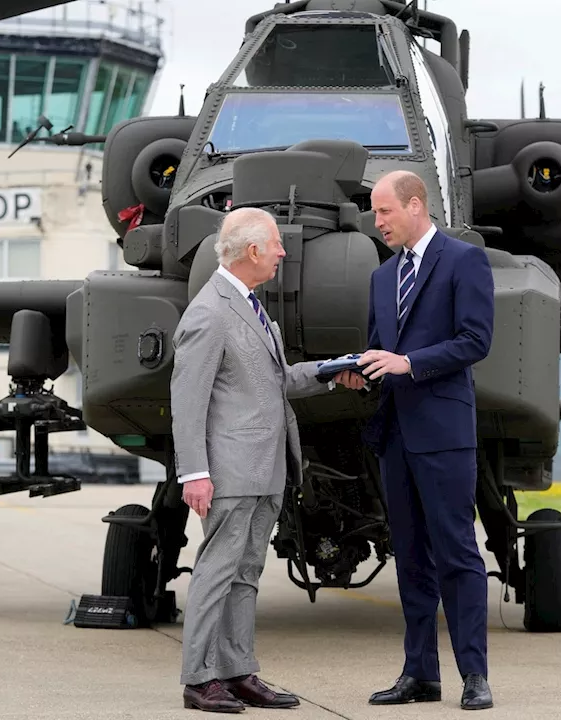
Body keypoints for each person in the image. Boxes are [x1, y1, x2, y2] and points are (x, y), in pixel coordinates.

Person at [171, 207, 366, 712]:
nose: (284, 252)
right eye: (276, 245)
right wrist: (194, 472)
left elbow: (274, 385)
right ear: (253, 251)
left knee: (246, 573)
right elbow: (186, 400)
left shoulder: (251, 308)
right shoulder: (209, 312)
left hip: (265, 469)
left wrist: (327, 370)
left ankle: (237, 671)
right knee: (217, 572)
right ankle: (199, 679)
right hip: (231, 470)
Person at [357, 170, 496, 711]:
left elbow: (475, 340)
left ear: (416, 205)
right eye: (375, 211)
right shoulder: (381, 277)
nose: (378, 221)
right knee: (411, 557)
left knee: (458, 554)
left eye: (384, 210)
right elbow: (380, 349)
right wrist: (361, 367)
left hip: (443, 433)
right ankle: (420, 674)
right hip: (396, 434)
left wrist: (409, 362)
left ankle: (474, 675)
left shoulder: (464, 260)